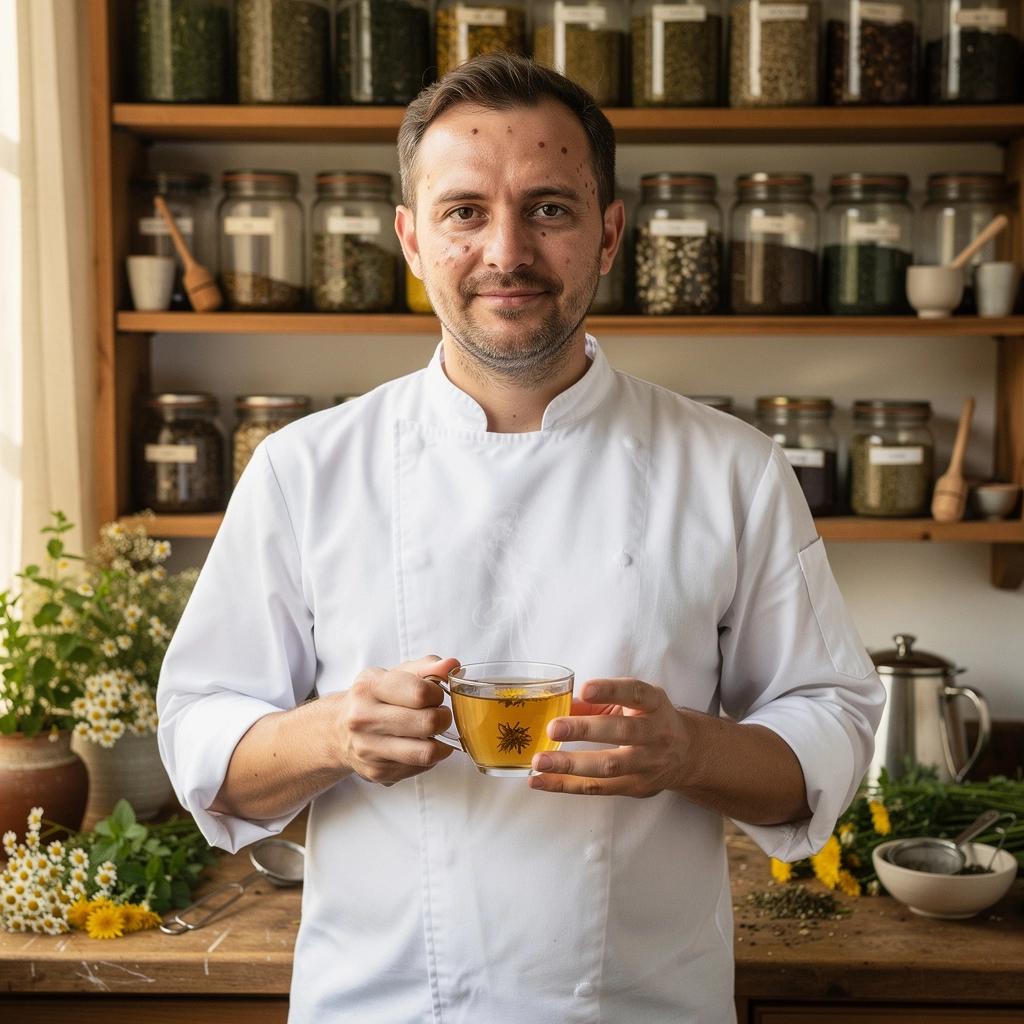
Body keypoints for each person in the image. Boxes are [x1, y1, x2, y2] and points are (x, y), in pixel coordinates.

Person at [158, 53, 885, 1023]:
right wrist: (332, 731)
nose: (506, 250)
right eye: (464, 212)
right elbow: (202, 739)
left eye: (548, 208)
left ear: (609, 234)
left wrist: (686, 750)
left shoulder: (731, 468)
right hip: (379, 1007)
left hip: (639, 1007)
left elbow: (830, 724)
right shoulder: (304, 469)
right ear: (412, 241)